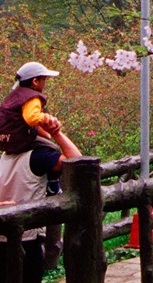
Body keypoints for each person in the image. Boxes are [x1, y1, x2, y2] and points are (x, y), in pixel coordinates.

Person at [0, 124, 81, 283]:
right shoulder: (39, 155)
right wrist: (56, 133)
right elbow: (79, 162)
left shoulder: (5, 156)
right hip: (27, 240)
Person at [0, 62, 62, 155]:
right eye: (44, 80)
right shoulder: (32, 97)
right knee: (54, 149)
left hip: (6, 140)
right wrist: (48, 119)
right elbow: (32, 118)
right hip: (20, 140)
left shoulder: (15, 96)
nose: (44, 83)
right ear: (35, 82)